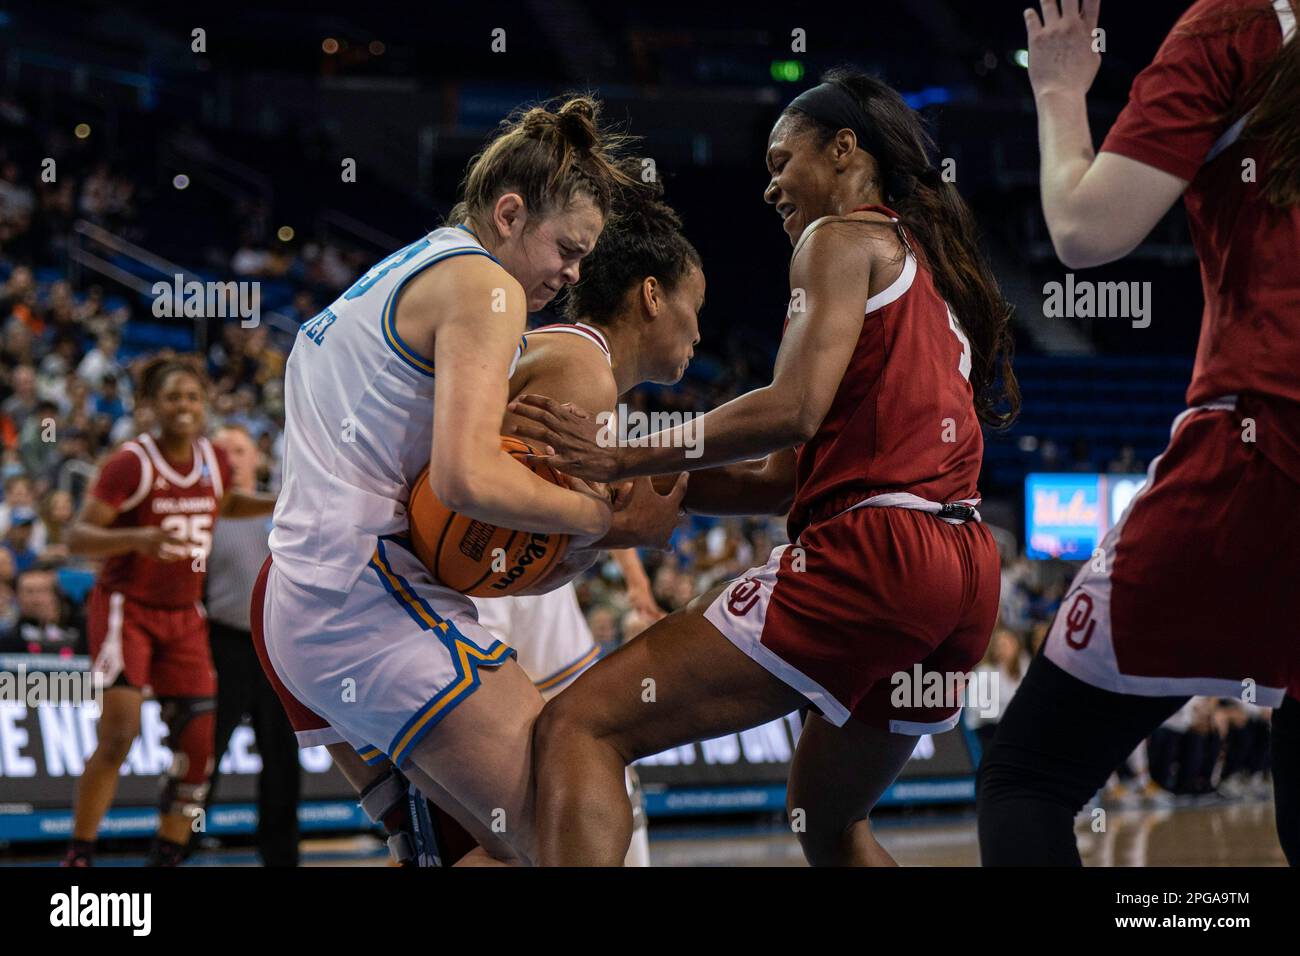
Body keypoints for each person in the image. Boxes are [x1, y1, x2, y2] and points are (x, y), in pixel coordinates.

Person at [511, 67, 1019, 865]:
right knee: (826, 823)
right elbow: (787, 473)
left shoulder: (839, 239)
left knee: (581, 725)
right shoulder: (928, 270)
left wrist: (625, 451)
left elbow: (791, 410)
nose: (771, 187)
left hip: (876, 557)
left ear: (844, 151)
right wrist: (637, 477)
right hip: (961, 574)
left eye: (783, 162)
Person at [250, 96, 681, 866]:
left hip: (303, 596)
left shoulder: (406, 268)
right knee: (573, 832)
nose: (575, 273)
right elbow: (465, 479)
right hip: (361, 599)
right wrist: (599, 518)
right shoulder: (486, 287)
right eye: (568, 249)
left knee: (461, 850)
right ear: (510, 212)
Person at [977, 0, 1299, 866]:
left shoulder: (1238, 26)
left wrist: (1058, 89)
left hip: (1260, 448)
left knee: (1028, 777)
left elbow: (1085, 230)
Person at [471, 167, 703, 865]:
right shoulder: (581, 373)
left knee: (552, 807)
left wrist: (624, 557)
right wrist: (623, 528)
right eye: (698, 306)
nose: (700, 332)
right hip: (479, 587)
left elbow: (570, 504)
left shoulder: (578, 361)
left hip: (506, 587)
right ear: (654, 297)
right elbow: (503, 520)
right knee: (554, 810)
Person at [62, 357, 277, 867]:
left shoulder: (213, 459)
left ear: (205, 406)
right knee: (119, 734)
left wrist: (277, 499)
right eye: (173, 398)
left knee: (198, 747)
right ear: (151, 407)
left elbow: (225, 503)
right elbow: (76, 535)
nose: (184, 406)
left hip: (185, 615)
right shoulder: (130, 463)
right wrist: (136, 537)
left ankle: (167, 855)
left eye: (192, 398)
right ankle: (80, 851)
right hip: (126, 609)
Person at [201, 423, 300, 866]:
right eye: (223, 451)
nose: (233, 458)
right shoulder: (204, 511)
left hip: (278, 645)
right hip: (221, 645)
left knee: (282, 757)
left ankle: (280, 856)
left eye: (240, 450)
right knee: (203, 751)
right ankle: (178, 842)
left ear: (256, 458)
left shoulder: (282, 507)